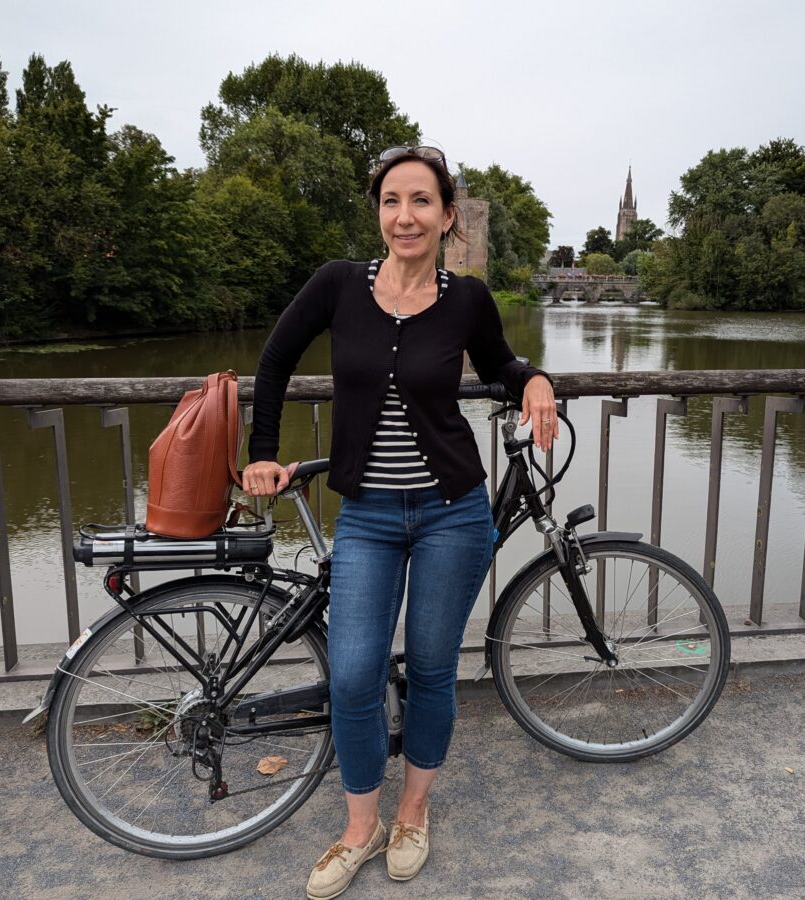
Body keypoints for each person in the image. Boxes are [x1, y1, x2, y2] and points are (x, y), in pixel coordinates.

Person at [243, 145, 557, 899]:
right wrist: (262, 453)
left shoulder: (467, 298)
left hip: (452, 513)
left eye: (421, 201)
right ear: (377, 212)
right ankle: (361, 828)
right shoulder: (337, 285)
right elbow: (276, 359)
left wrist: (538, 378)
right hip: (369, 516)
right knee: (351, 674)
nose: (404, 215)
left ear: (447, 216)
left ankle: (413, 813)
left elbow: (500, 366)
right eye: (391, 201)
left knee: (431, 669)